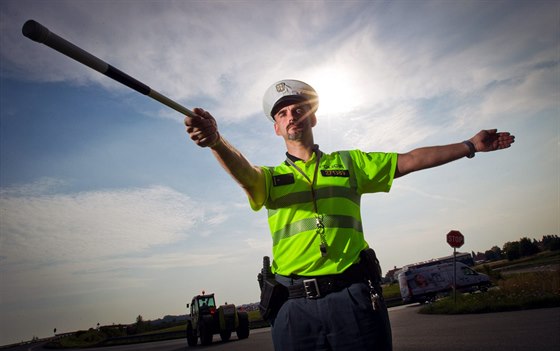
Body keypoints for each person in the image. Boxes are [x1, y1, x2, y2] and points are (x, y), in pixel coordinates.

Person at [184, 79, 515, 351]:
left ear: (312, 118)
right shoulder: (269, 179)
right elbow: (245, 171)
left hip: (352, 297)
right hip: (293, 307)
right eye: (283, 113)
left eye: (298, 109)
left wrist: (470, 145)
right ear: (276, 128)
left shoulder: (349, 163)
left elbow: (411, 159)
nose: (291, 116)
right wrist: (216, 141)